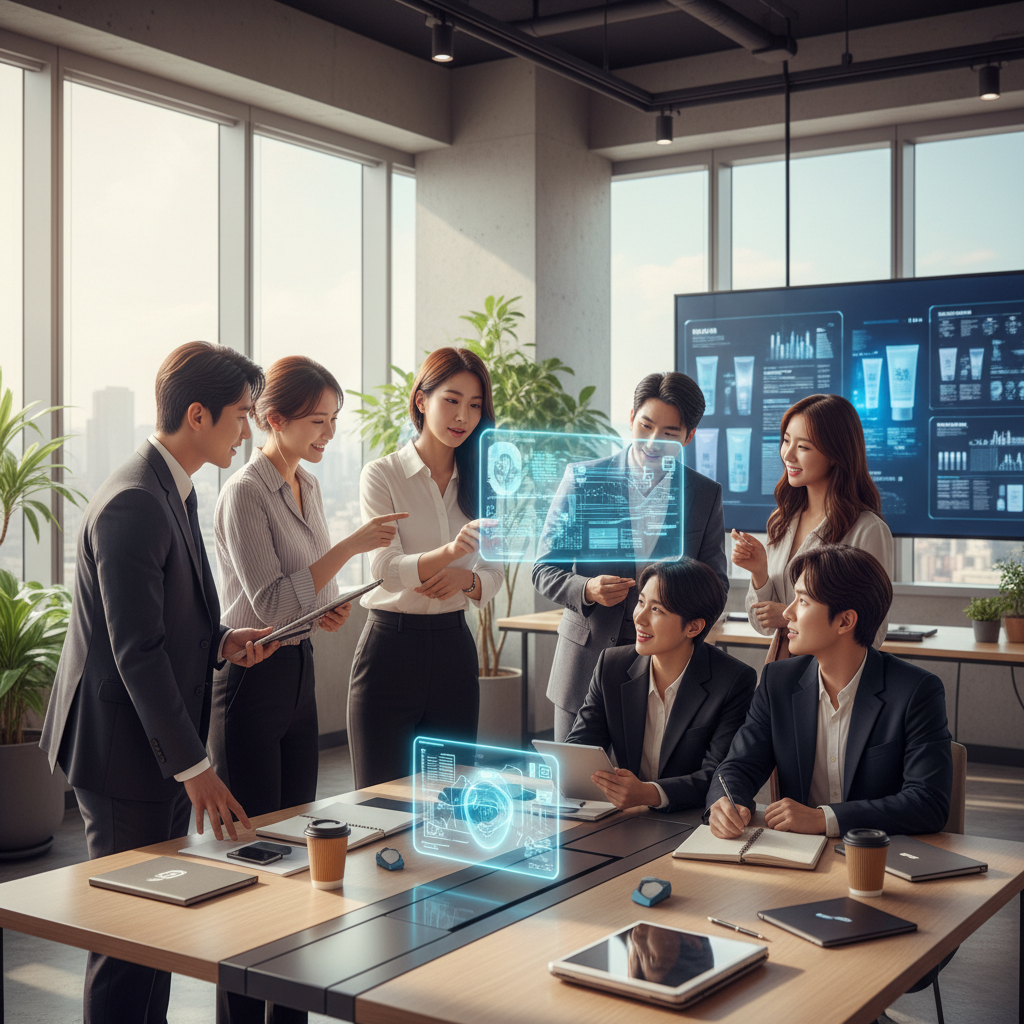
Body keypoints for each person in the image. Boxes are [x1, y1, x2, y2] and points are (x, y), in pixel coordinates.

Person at [39, 341, 280, 1024]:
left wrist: (225, 641)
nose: (249, 429)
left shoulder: (174, 486)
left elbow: (170, 616)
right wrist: (196, 766)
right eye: (242, 414)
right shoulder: (135, 502)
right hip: (122, 752)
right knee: (127, 937)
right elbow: (136, 651)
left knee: (155, 929)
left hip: (151, 746)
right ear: (198, 415)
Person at [210, 356, 408, 818]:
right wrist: (351, 545)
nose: (330, 433)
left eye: (334, 420)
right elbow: (274, 604)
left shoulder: (310, 486)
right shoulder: (245, 492)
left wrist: (328, 609)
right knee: (254, 834)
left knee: (299, 824)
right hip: (251, 676)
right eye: (318, 421)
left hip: (301, 670)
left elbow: (312, 589)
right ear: (274, 420)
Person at [706, 544, 952, 839]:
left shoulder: (915, 691)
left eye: (803, 601)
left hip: (880, 858)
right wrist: (726, 802)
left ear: (845, 621)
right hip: (798, 858)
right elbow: (738, 767)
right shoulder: (778, 681)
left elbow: (928, 803)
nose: (787, 612)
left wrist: (825, 819)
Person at [534, 371, 729, 742]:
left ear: (689, 437)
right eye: (646, 425)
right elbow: (544, 568)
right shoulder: (583, 480)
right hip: (584, 664)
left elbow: (715, 584)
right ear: (631, 418)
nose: (653, 442)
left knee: (642, 791)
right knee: (574, 789)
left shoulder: (704, 494)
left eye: (670, 434)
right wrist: (587, 588)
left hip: (665, 670)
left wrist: (681, 626)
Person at [349, 347, 504, 789]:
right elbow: (385, 568)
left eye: (475, 405)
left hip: (455, 649)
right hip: (389, 651)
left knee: (449, 801)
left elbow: (495, 573)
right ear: (422, 400)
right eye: (451, 400)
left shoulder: (485, 481)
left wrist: (468, 579)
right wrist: (450, 553)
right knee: (380, 798)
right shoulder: (382, 476)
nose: (463, 416)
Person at [566, 558, 755, 812]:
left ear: (693, 627)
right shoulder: (612, 665)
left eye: (657, 610)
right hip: (627, 818)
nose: (640, 618)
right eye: (641, 602)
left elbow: (720, 776)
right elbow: (580, 747)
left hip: (692, 820)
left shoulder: (732, 680)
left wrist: (649, 793)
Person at [731, 393, 893, 653]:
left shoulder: (867, 530)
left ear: (835, 454)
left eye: (803, 447)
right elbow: (764, 626)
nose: (788, 455)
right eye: (786, 441)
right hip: (781, 670)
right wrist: (759, 571)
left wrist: (789, 614)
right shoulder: (783, 520)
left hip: (831, 678)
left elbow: (873, 632)